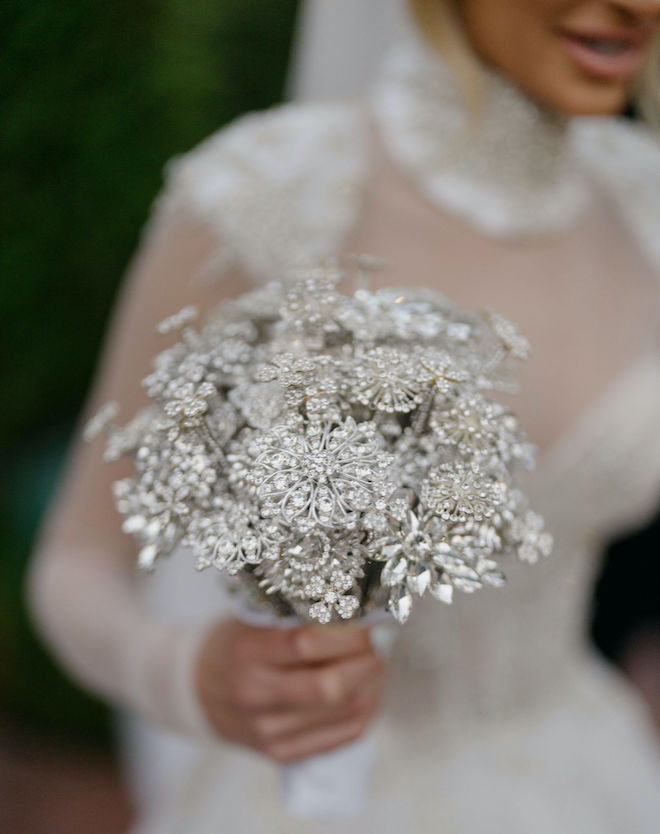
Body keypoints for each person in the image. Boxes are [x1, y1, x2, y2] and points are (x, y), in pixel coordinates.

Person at [27, 1, 660, 831]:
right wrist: (187, 671)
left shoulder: (643, 200)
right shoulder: (271, 194)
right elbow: (76, 565)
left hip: (584, 776)